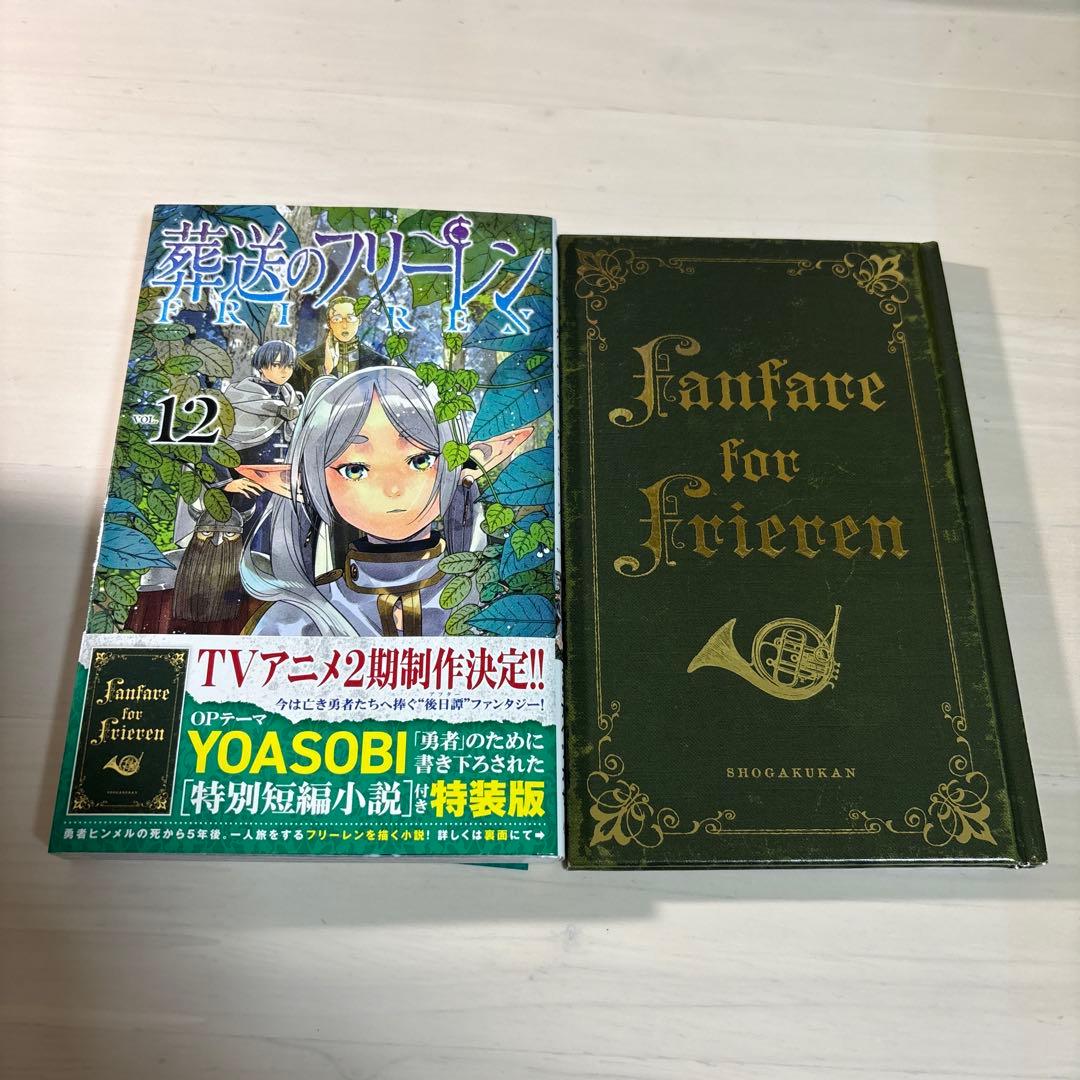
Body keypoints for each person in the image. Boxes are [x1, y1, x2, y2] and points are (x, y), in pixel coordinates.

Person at [236, 366, 532, 637]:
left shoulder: (498, 605)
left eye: (420, 460)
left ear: (464, 466)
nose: (392, 488)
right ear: (308, 484)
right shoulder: (297, 622)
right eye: (355, 470)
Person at [293, 294, 388, 396]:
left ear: (359, 320)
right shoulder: (305, 363)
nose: (344, 325)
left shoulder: (380, 363)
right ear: (329, 323)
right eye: (337, 319)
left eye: (350, 318)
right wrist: (325, 370)